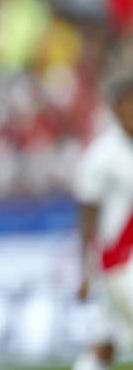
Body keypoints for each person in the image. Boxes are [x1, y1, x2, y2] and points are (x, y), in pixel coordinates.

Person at [73, 70, 133, 370]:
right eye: (126, 103)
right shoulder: (100, 156)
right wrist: (84, 270)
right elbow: (87, 217)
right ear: (114, 108)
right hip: (117, 262)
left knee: (106, 344)